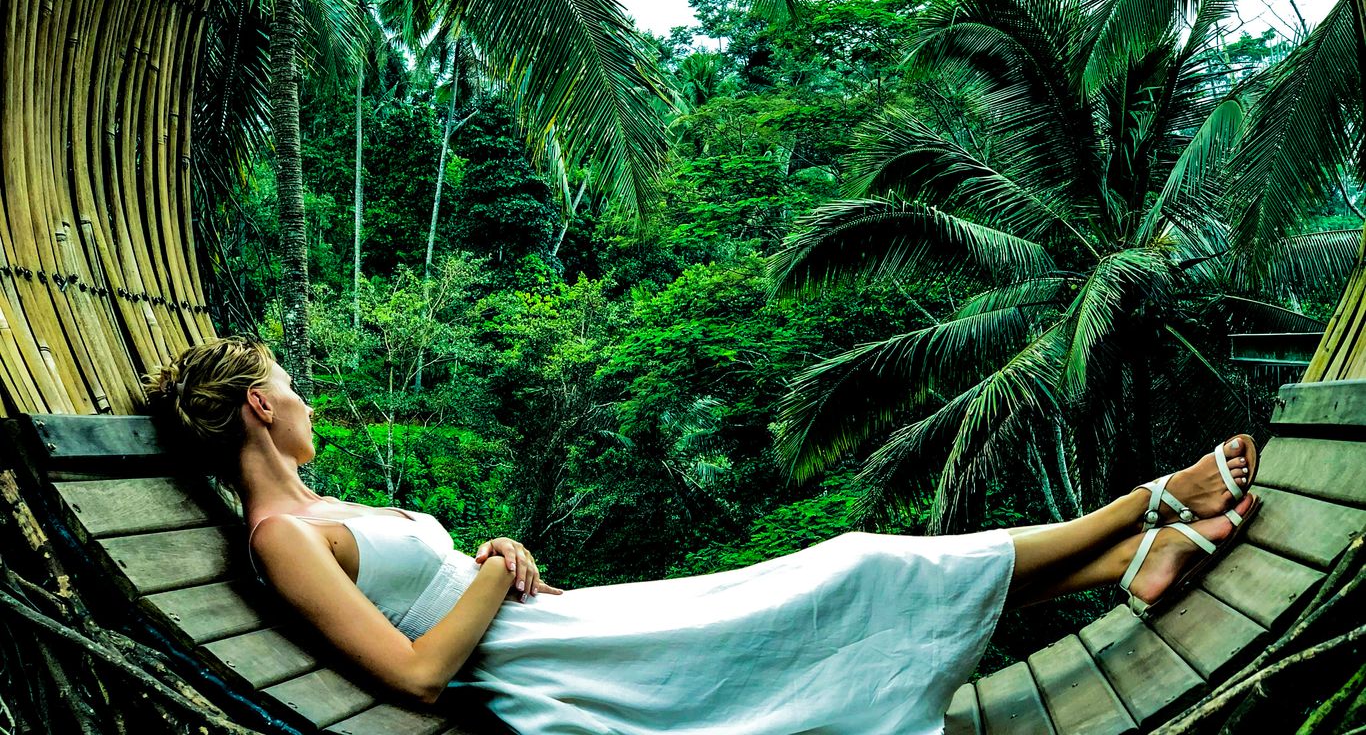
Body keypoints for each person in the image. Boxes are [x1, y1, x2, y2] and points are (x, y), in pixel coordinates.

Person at [144, 337, 1260, 735]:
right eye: (289, 387)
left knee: (857, 571)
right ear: (255, 408)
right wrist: (492, 565)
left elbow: (436, 597)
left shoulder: (312, 511)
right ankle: (1138, 508)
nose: (304, 401)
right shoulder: (283, 534)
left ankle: (1129, 554)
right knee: (858, 565)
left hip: (565, 625)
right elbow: (425, 671)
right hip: (553, 663)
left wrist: (494, 565)